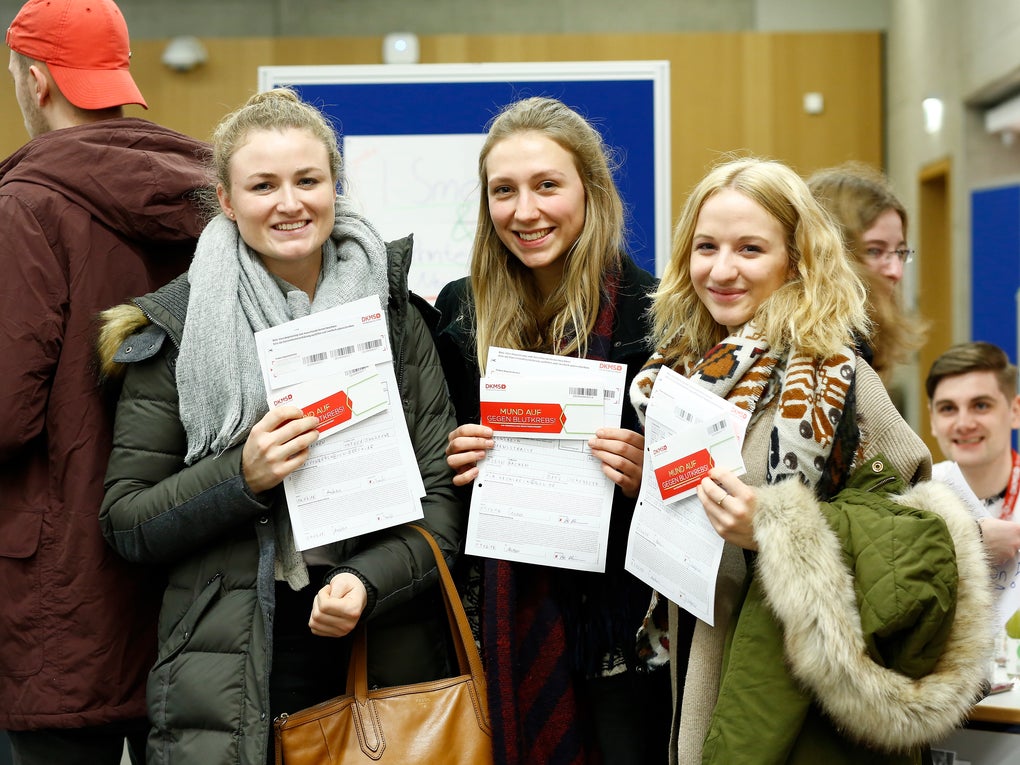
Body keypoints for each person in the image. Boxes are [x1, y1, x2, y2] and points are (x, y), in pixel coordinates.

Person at [95, 88, 463, 765]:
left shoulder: (397, 315)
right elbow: (128, 522)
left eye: (307, 180)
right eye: (263, 185)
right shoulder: (173, 331)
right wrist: (241, 474)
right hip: (227, 664)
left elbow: (441, 506)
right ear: (227, 200)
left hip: (378, 645)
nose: (290, 203)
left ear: (335, 184)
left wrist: (369, 581)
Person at [630, 157, 992, 764]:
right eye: (706, 246)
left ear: (795, 261)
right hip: (700, 661)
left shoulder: (836, 378)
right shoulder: (679, 373)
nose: (722, 270)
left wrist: (774, 527)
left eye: (750, 249)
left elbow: (926, 536)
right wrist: (644, 484)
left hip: (799, 696)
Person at [0, 1, 209, 763]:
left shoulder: (25, 206)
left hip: (60, 592)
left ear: (32, 79)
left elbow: (5, 413)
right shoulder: (210, 200)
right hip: (188, 578)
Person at [435, 95, 670, 765]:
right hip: (497, 625)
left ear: (590, 191)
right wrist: (456, 450)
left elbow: (702, 488)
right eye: (503, 191)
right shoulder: (460, 311)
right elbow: (437, 483)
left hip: (620, 638)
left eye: (546, 185)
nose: (525, 210)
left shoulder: (653, 317)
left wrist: (644, 471)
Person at [807, 161, 927, 382]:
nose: (896, 271)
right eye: (874, 251)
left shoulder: (859, 344)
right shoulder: (803, 353)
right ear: (826, 252)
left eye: (900, 252)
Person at [927, 341, 1020, 565]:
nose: (964, 424)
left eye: (980, 406)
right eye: (948, 408)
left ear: (1015, 412)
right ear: (932, 420)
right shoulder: (909, 500)